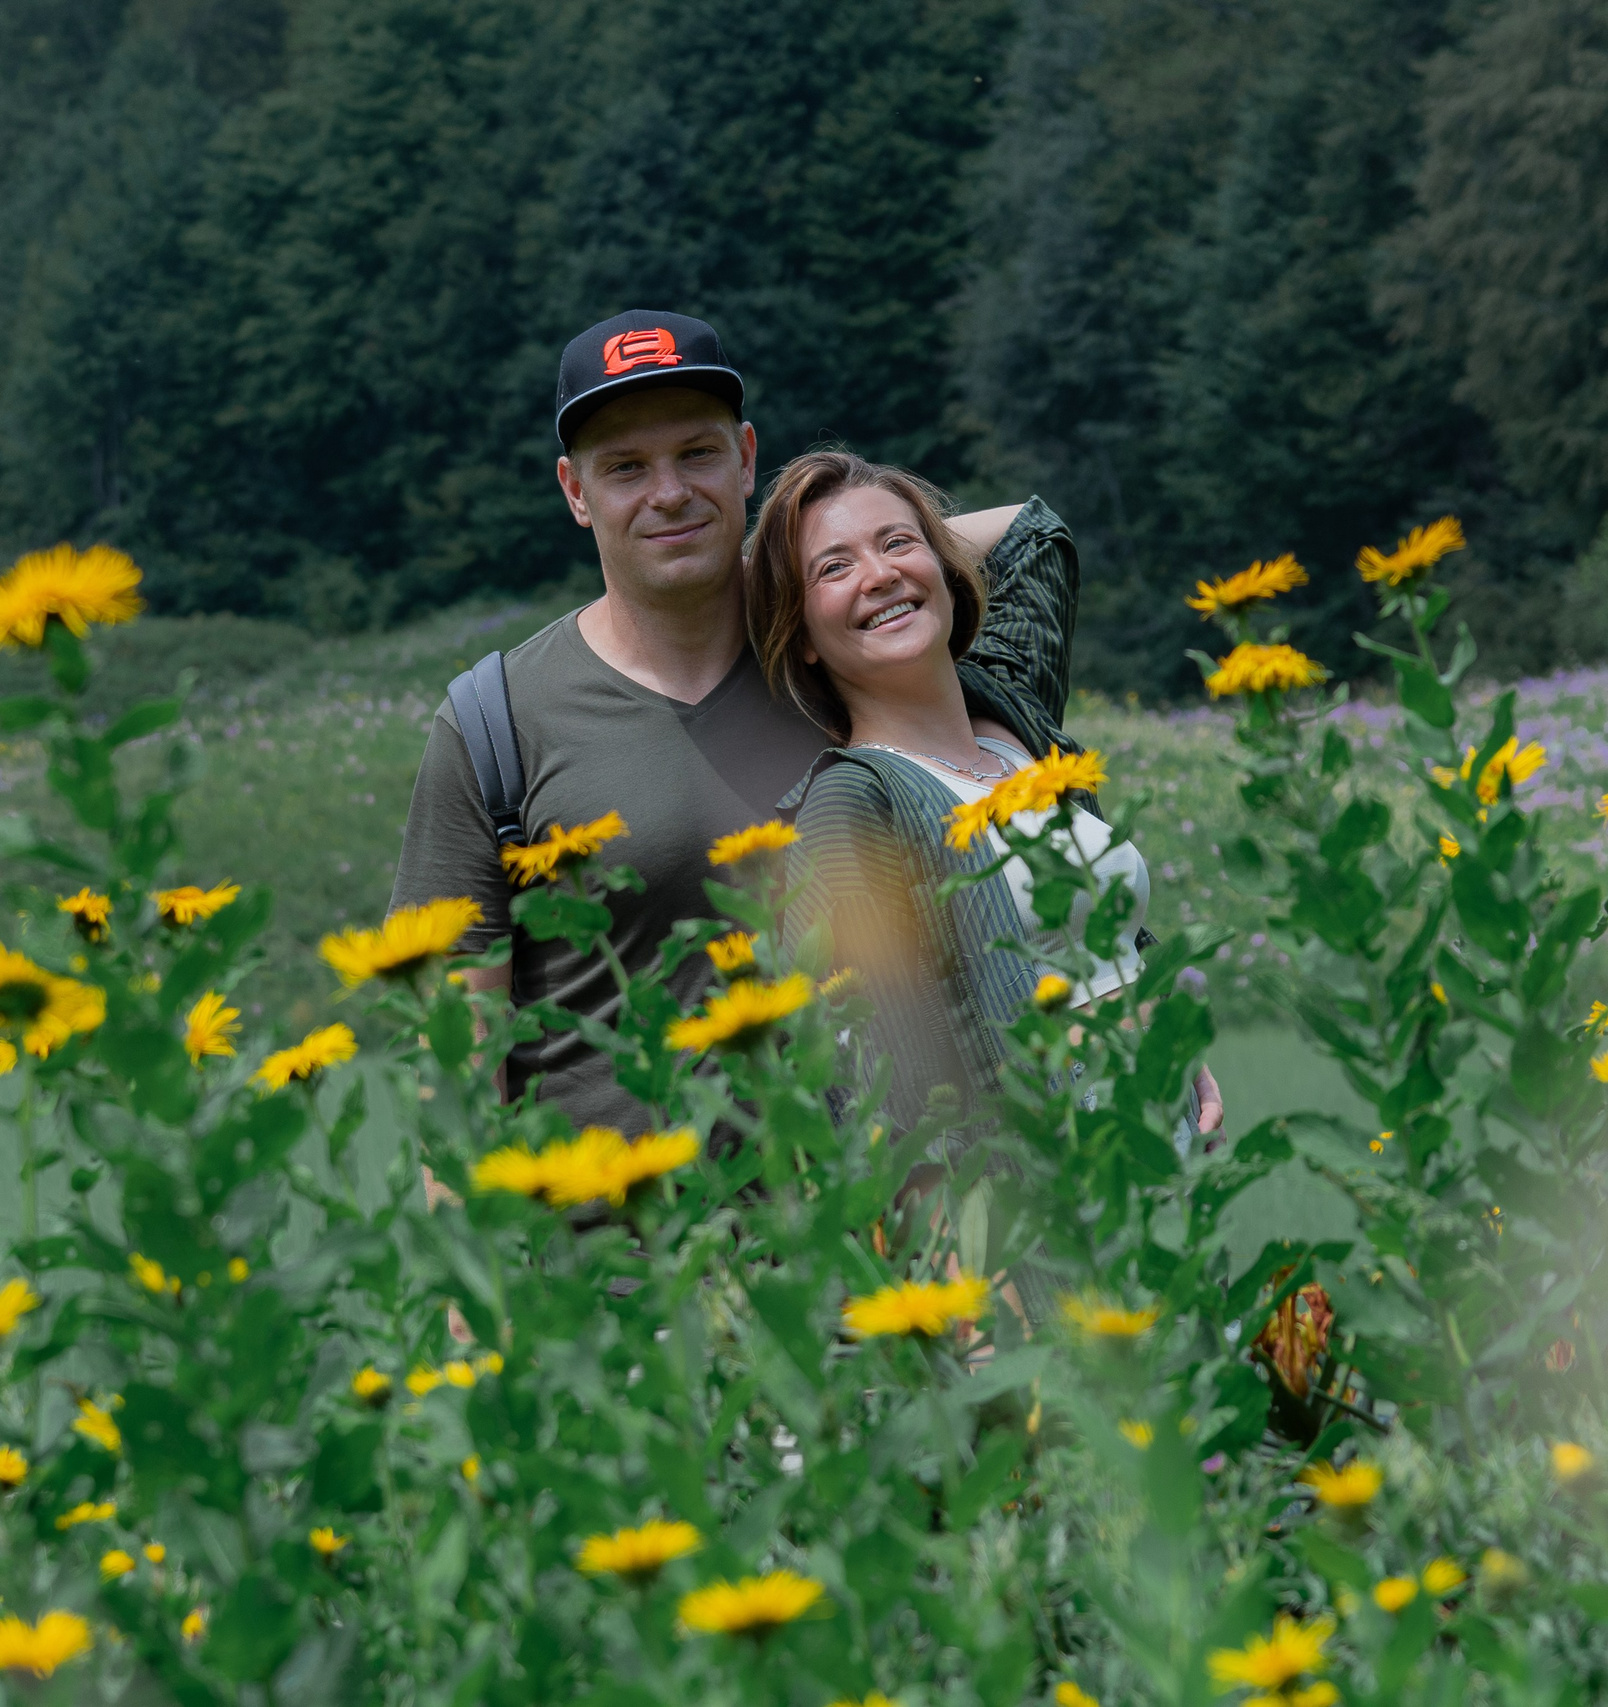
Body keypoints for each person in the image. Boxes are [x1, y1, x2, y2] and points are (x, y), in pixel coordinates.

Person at [387, 311, 1035, 1136]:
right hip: (619, 1256)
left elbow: (1029, 539)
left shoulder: (838, 650)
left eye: (697, 453)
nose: (668, 491)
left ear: (747, 460)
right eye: (625, 468)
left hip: (873, 1242)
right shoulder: (494, 723)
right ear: (574, 492)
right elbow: (455, 1073)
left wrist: (816, 560)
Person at [750, 448, 1222, 1163]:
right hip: (1053, 1204)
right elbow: (870, 1080)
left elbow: (1032, 534)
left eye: (897, 541)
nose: (879, 574)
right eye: (832, 568)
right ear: (802, 633)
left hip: (1175, 1163)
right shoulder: (853, 802)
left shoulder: (1014, 711)